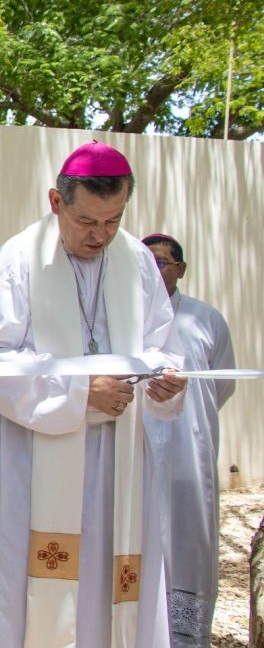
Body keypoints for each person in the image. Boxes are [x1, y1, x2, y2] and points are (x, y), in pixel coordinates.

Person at [0, 141, 188, 648]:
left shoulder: (138, 261)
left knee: (112, 587)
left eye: (113, 220)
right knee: (28, 593)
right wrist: (80, 392)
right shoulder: (19, 259)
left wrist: (165, 378)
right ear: (57, 201)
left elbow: (160, 343)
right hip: (37, 454)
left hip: (119, 460)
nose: (100, 236)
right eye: (87, 222)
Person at [141, 233, 236, 647]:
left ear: (181, 268)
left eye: (163, 262)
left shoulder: (205, 319)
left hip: (187, 454)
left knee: (186, 541)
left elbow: (221, 387)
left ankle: (183, 637)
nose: (156, 269)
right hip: (135, 452)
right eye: (148, 261)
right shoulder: (126, 319)